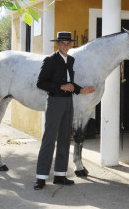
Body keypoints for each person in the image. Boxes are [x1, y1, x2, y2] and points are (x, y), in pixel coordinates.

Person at [34, 31, 95, 190]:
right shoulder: (50, 60)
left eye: (68, 43)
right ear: (58, 44)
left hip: (69, 102)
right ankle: (41, 177)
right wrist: (60, 87)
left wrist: (82, 90)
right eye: (62, 43)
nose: (65, 46)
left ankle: (60, 175)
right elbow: (41, 83)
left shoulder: (71, 60)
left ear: (70, 45)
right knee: (49, 138)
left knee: (64, 139)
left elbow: (70, 83)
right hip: (54, 102)